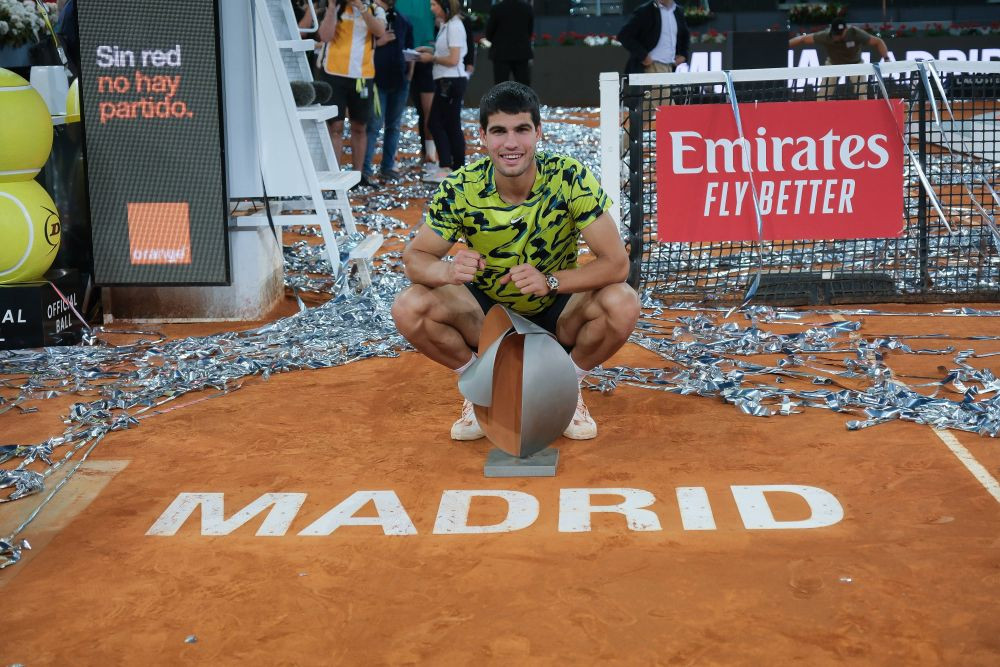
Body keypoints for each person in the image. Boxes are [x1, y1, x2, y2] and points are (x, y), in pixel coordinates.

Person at [391, 82, 641, 442]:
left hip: (559, 312)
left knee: (623, 302)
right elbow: (414, 258)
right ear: (483, 136)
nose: (511, 143)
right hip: (488, 319)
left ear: (538, 132)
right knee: (409, 307)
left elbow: (617, 264)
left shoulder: (569, 177)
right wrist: (447, 270)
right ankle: (481, 386)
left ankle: (566, 386)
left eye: (521, 129)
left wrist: (551, 281)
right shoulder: (462, 187)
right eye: (499, 131)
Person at [315, 0, 387, 189]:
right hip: (333, 73)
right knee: (335, 127)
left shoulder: (375, 8)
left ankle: (358, 176)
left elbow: (380, 31)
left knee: (360, 127)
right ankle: (334, 176)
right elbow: (324, 36)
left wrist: (361, 7)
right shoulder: (336, 6)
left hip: (362, 76)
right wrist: (332, 7)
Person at [416, 0, 468, 184]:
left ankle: (451, 166)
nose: (431, 9)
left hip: (451, 81)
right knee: (442, 123)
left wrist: (431, 58)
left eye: (434, 5)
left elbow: (453, 59)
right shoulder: (447, 26)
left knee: (442, 123)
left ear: (445, 6)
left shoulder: (454, 26)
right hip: (446, 80)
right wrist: (430, 51)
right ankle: (451, 166)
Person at [363, 0, 414, 182]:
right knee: (374, 126)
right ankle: (365, 170)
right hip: (376, 80)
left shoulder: (402, 20)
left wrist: (409, 75)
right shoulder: (369, 16)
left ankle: (387, 166)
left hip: (399, 80)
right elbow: (360, 46)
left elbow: (410, 50)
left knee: (393, 126)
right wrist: (380, 42)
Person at [789, 19, 889, 99]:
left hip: (855, 64)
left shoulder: (855, 33)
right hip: (834, 64)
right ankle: (820, 112)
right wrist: (784, 46)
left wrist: (886, 58)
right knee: (823, 93)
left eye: (840, 34)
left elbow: (878, 42)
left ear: (846, 30)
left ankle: (864, 111)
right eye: (835, 33)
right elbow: (803, 39)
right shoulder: (825, 36)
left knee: (862, 91)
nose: (837, 36)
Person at [396, 0, 439, 172]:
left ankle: (430, 155)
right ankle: (390, 159)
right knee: (392, 112)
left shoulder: (433, 4)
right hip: (398, 55)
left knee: (428, 111)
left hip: (426, 55)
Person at [617, 0, 691, 76]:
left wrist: (683, 55)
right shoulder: (646, 11)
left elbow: (685, 35)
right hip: (651, 67)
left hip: (671, 67)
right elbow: (624, 35)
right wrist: (643, 56)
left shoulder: (678, 11)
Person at [484, 0, 533, 86]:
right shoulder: (527, 8)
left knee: (501, 87)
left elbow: (489, 32)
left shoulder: (497, 8)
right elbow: (530, 31)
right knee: (523, 86)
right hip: (522, 52)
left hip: (501, 53)